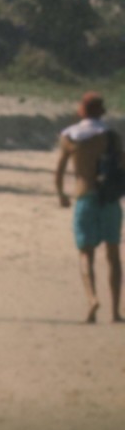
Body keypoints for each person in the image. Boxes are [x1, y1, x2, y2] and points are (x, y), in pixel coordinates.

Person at [58, 94, 124, 324]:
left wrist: (61, 196)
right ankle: (115, 312)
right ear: (101, 112)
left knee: (86, 253)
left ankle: (92, 298)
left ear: (81, 111)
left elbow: (59, 171)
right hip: (109, 199)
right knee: (113, 255)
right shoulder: (112, 137)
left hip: (84, 195)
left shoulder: (69, 137)